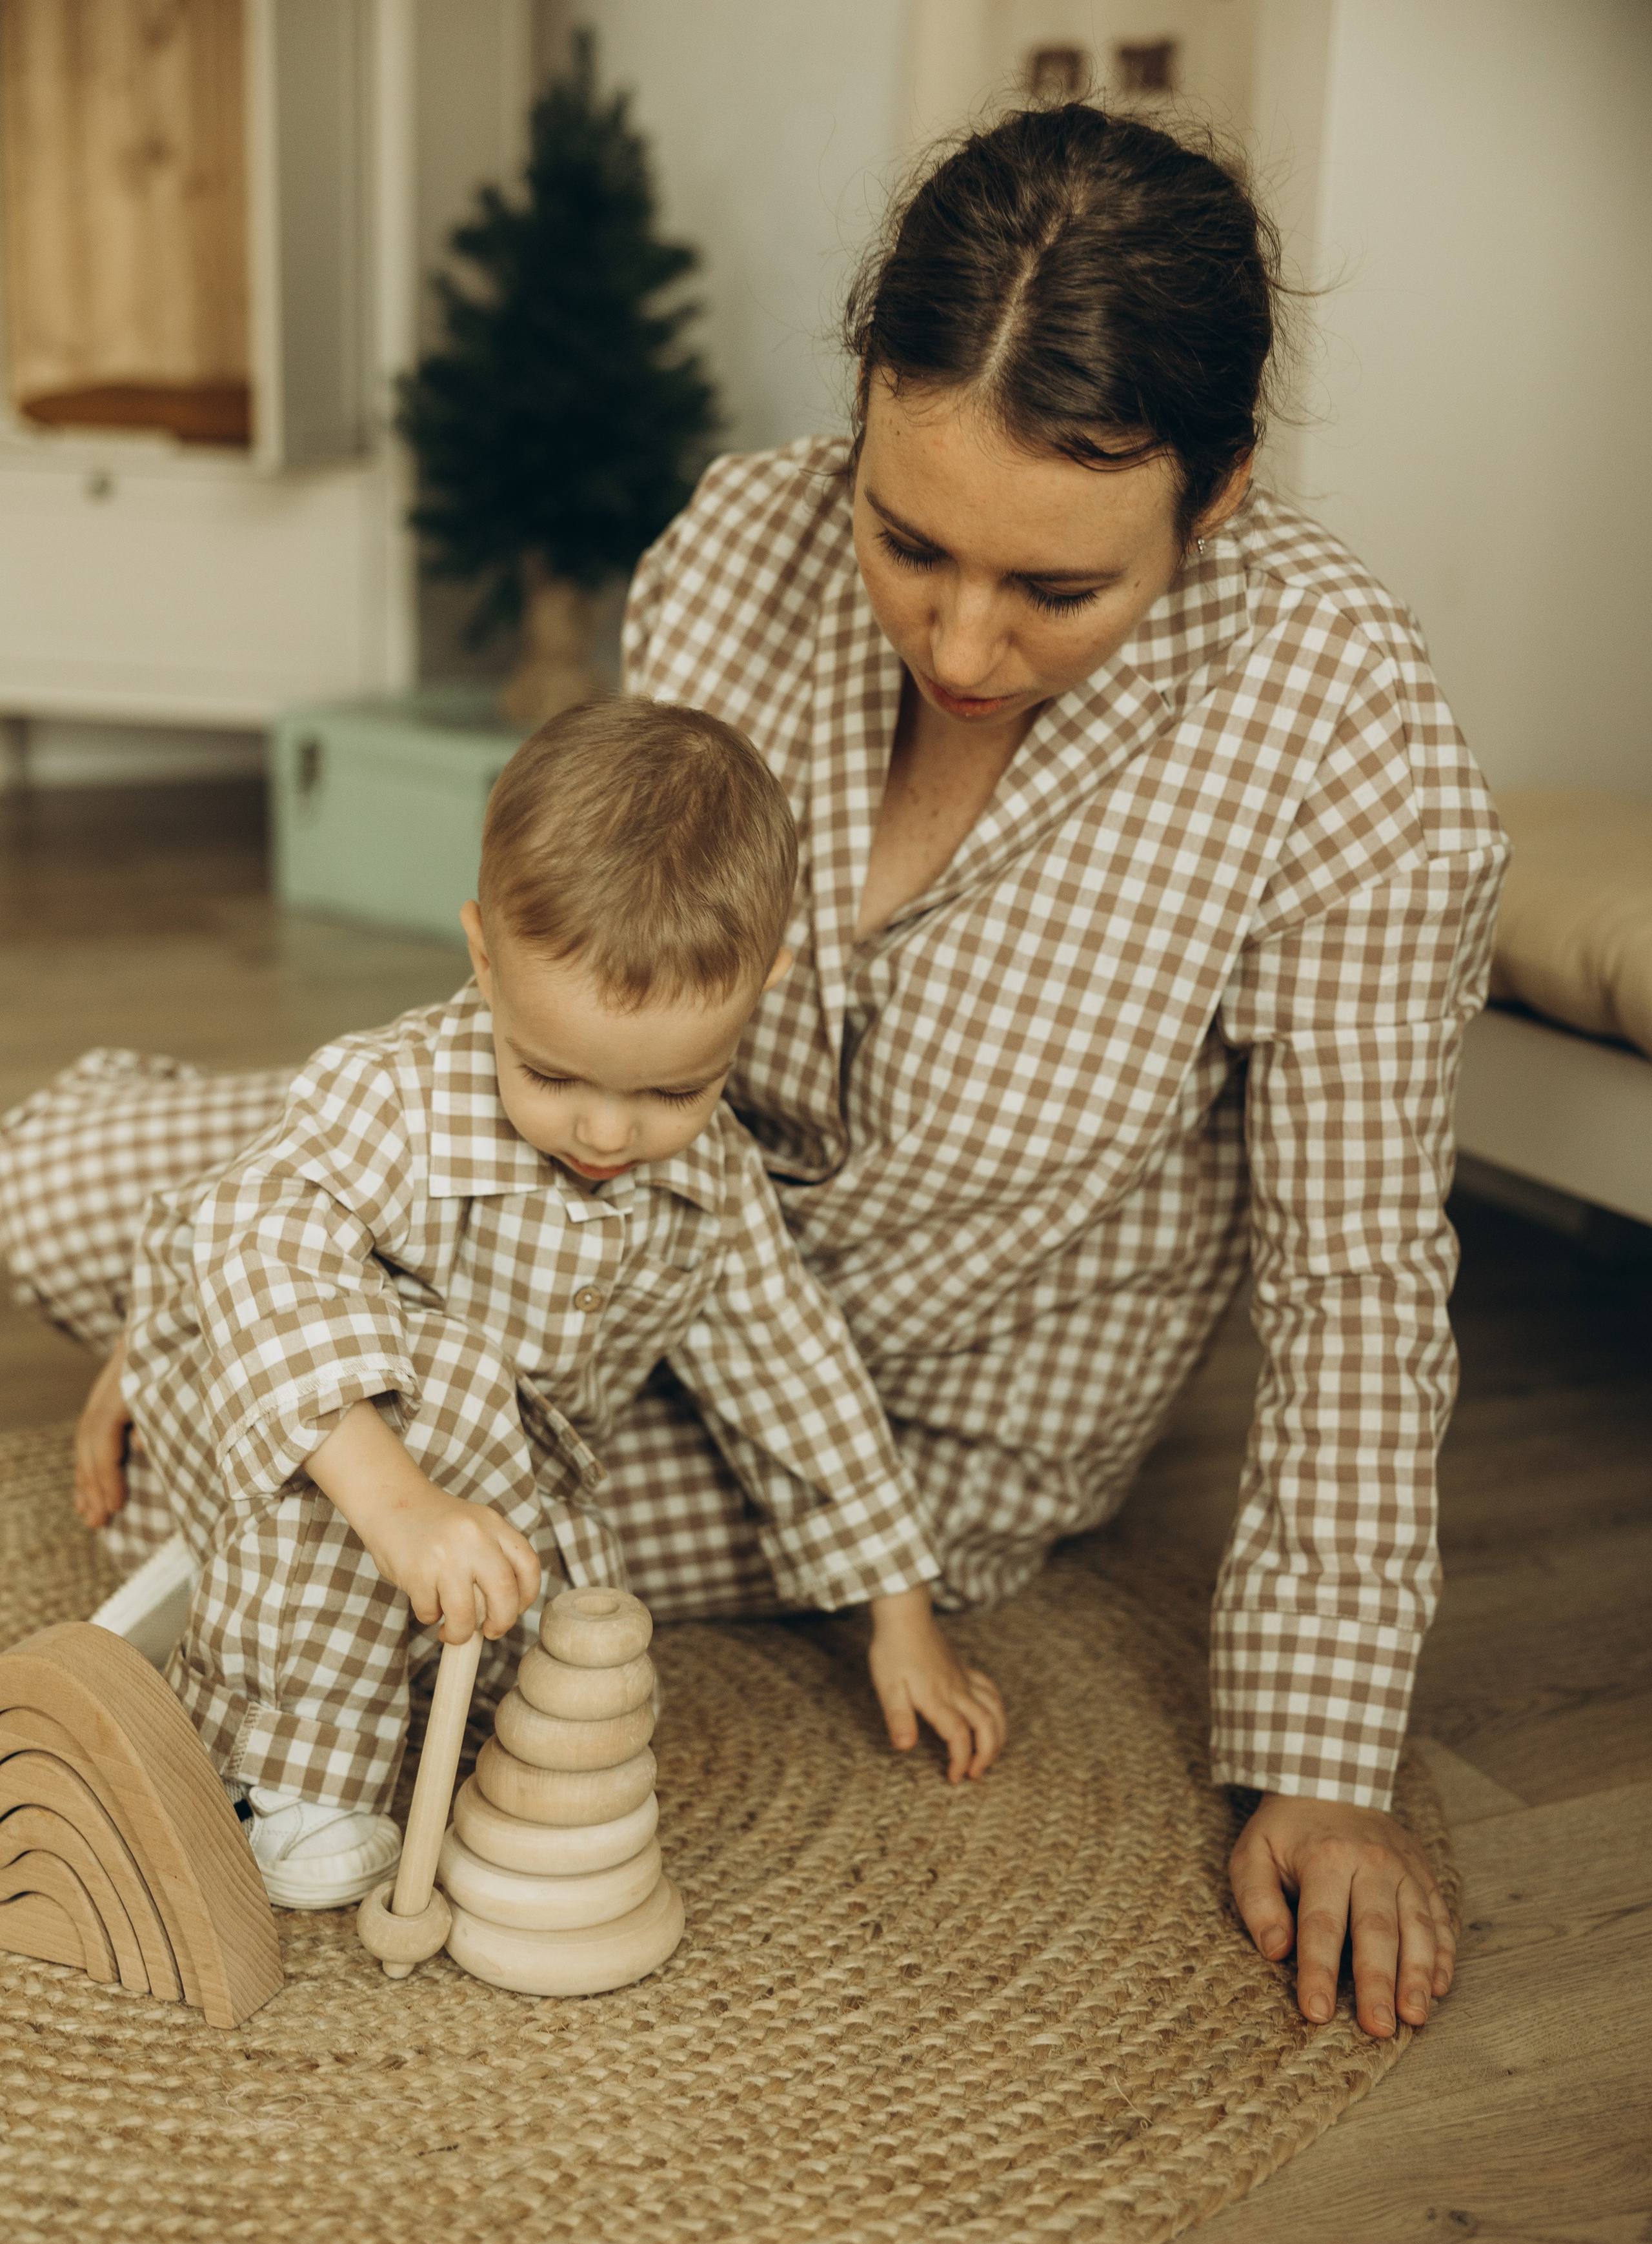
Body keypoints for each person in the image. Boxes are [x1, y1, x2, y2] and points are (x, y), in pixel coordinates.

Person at [5, 103, 1497, 2037]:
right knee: (58, 1178)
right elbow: (586, 980)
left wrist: (1325, 1755)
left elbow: (1359, 1281)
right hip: (572, 1212)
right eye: (909, 540)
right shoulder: (735, 545)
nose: (961, 640)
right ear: (865, 416)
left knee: (385, 1530)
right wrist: (230, 1276)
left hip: (911, 1386)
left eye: (1059, 593)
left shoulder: (1348, 734)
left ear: (1210, 504)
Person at [81, 699, 1003, 1907]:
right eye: (552, 1074)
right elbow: (256, 1245)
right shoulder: (390, 1094)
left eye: (676, 1088)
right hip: (282, 1424)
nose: (609, 1134)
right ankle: (280, 1772)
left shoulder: (709, 1181)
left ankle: (402, 1654)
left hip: (501, 1470)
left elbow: (793, 1368)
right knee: (453, 1391)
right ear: (482, 951)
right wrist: (399, 1504)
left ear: (763, 989)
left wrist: (899, 1608)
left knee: (584, 1653)